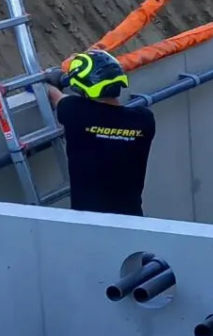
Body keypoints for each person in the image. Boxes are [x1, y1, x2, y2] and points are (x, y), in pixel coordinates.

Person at [46, 50, 157, 216]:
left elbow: (51, 92)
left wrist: (54, 76)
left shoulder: (75, 112)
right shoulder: (144, 120)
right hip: (132, 220)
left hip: (89, 223)